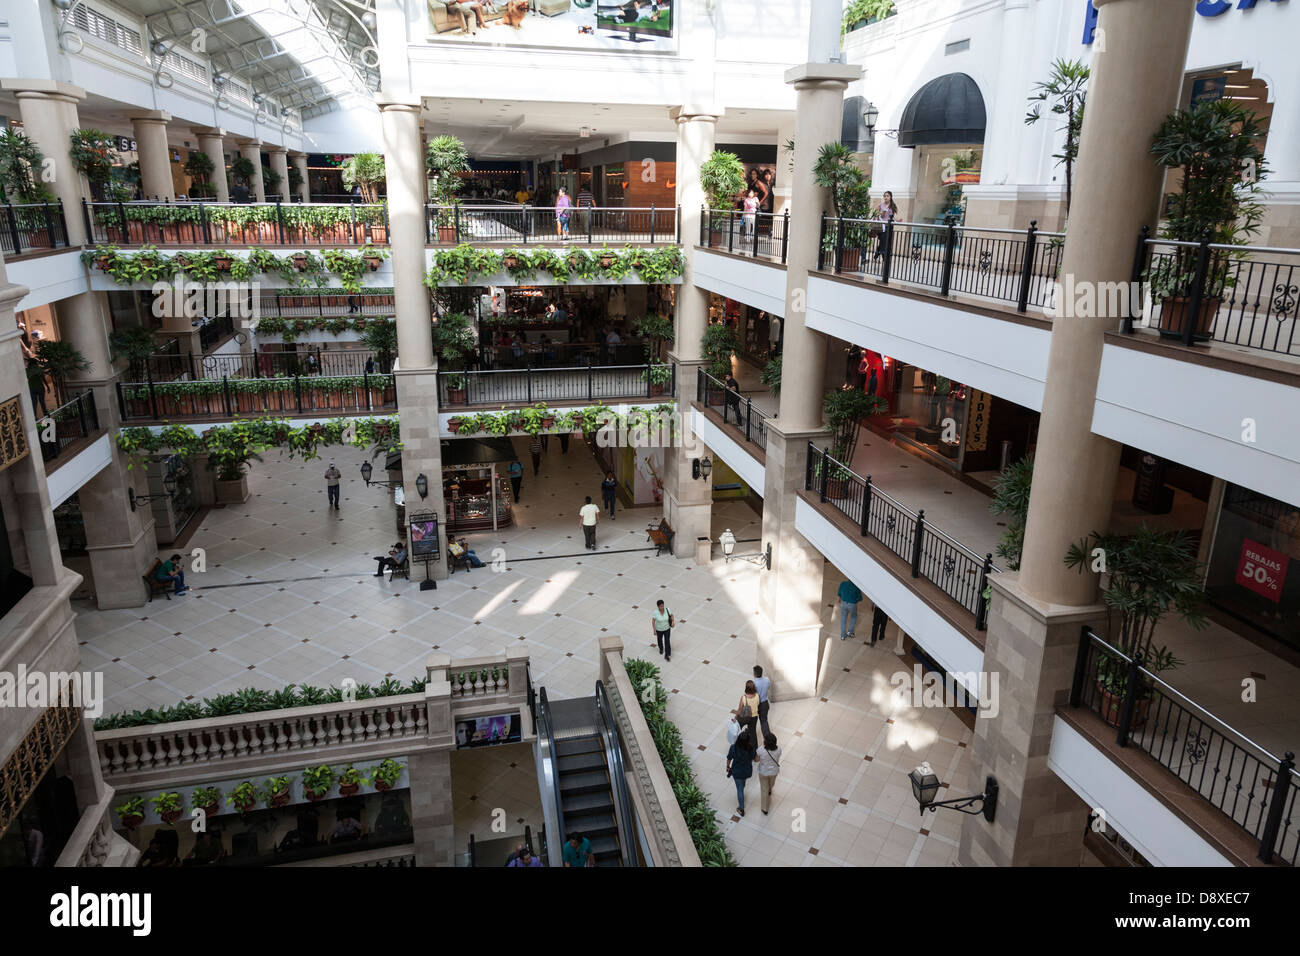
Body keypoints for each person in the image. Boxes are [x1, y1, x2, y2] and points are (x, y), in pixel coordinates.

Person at [726, 728, 756, 817]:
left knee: (740, 789)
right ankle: (742, 786)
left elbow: (729, 758)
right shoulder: (751, 749)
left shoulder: (733, 748)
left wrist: (728, 766)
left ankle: (741, 808)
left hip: (736, 771)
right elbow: (755, 759)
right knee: (742, 783)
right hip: (747, 771)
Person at [755, 732, 781, 815]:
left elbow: (756, 760)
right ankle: (770, 790)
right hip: (774, 771)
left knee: (764, 789)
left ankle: (765, 808)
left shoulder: (761, 750)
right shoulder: (779, 749)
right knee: (771, 783)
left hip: (763, 771)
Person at [873, 190, 898, 261]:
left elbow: (893, 216)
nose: (886, 197)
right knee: (883, 241)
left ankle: (879, 255)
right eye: (885, 196)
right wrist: (881, 213)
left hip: (888, 226)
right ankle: (882, 257)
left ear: (890, 197)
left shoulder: (892, 206)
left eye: (887, 196)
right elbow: (875, 213)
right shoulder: (881, 205)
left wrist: (897, 220)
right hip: (881, 226)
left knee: (884, 242)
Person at [736, 680, 761, 745]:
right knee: (753, 733)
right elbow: (758, 704)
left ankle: (738, 743)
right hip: (754, 717)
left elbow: (739, 709)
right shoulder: (757, 695)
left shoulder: (744, 698)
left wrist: (735, 718)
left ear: (746, 688)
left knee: (737, 728)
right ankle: (754, 749)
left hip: (745, 717)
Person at [752, 665, 772, 740]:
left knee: (752, 722)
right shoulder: (767, 680)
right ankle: (768, 739)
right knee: (764, 722)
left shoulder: (754, 683)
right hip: (765, 704)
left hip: (756, 705)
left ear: (755, 674)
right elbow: (768, 687)